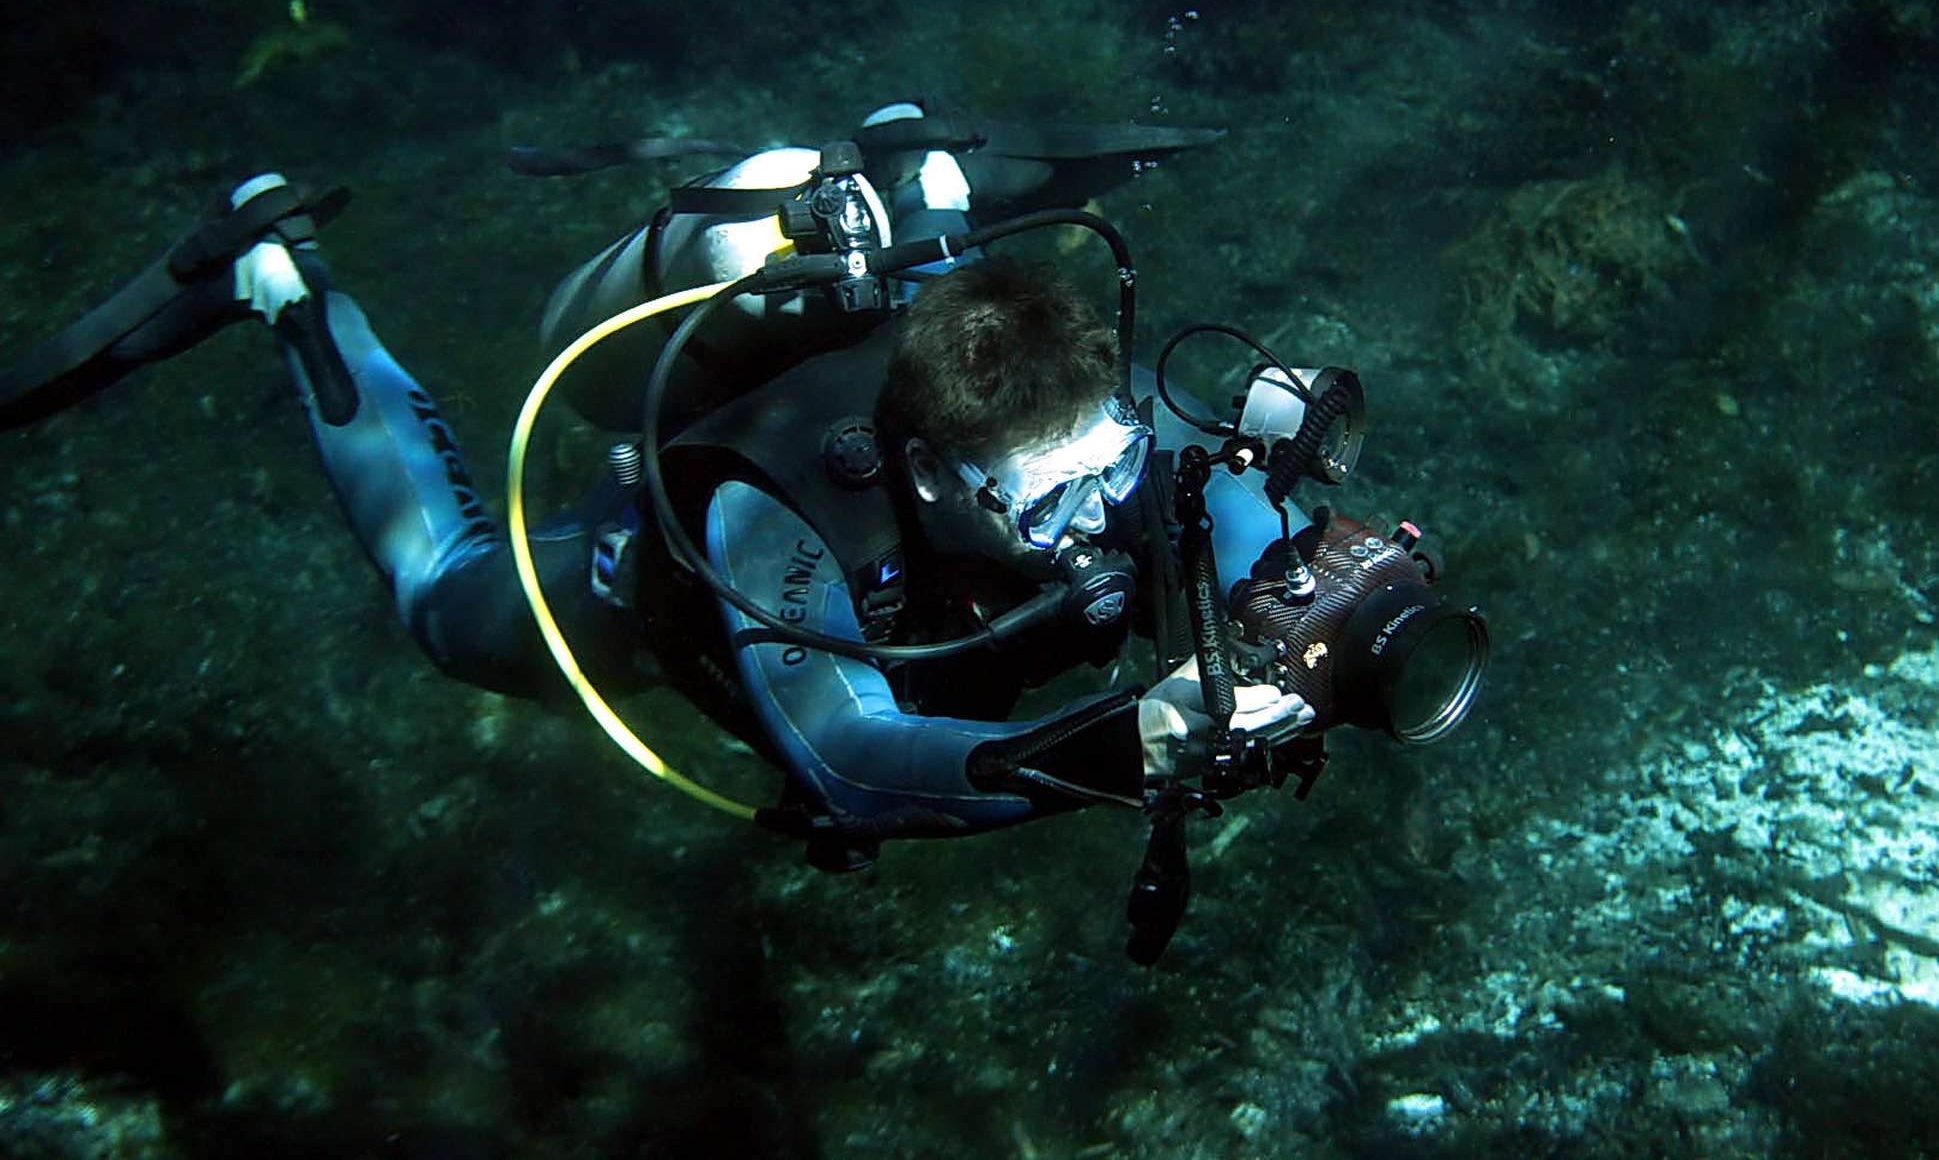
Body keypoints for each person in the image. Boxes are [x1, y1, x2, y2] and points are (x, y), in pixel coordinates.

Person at [0, 102, 1314, 875]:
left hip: (924, 396)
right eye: (1040, 505)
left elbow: (1227, 496)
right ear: (924, 474)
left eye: (1110, 468)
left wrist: (1289, 583)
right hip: (647, 587)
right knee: (447, 600)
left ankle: (918, 185)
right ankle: (282, 284)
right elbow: (852, 758)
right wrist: (1114, 745)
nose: (1093, 523)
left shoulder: (1073, 425)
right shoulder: (776, 517)